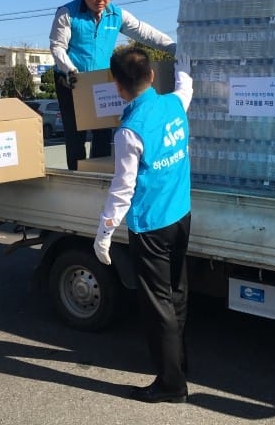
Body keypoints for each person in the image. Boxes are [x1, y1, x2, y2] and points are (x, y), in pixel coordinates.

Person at [93, 48, 193, 403]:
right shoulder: (174, 105)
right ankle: (179, 362)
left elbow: (122, 191)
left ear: (117, 87)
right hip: (181, 215)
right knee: (177, 293)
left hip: (151, 227)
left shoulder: (128, 132)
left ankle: (171, 384)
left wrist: (103, 235)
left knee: (157, 304)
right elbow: (186, 86)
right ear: (152, 76)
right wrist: (183, 59)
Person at [49, 0, 177, 171]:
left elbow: (145, 32)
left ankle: (98, 175)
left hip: (100, 81)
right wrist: (69, 69)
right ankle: (77, 177)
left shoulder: (117, 15)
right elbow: (57, 47)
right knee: (75, 134)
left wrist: (175, 48)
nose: (101, 0)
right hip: (70, 80)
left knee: (103, 132)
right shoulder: (67, 13)